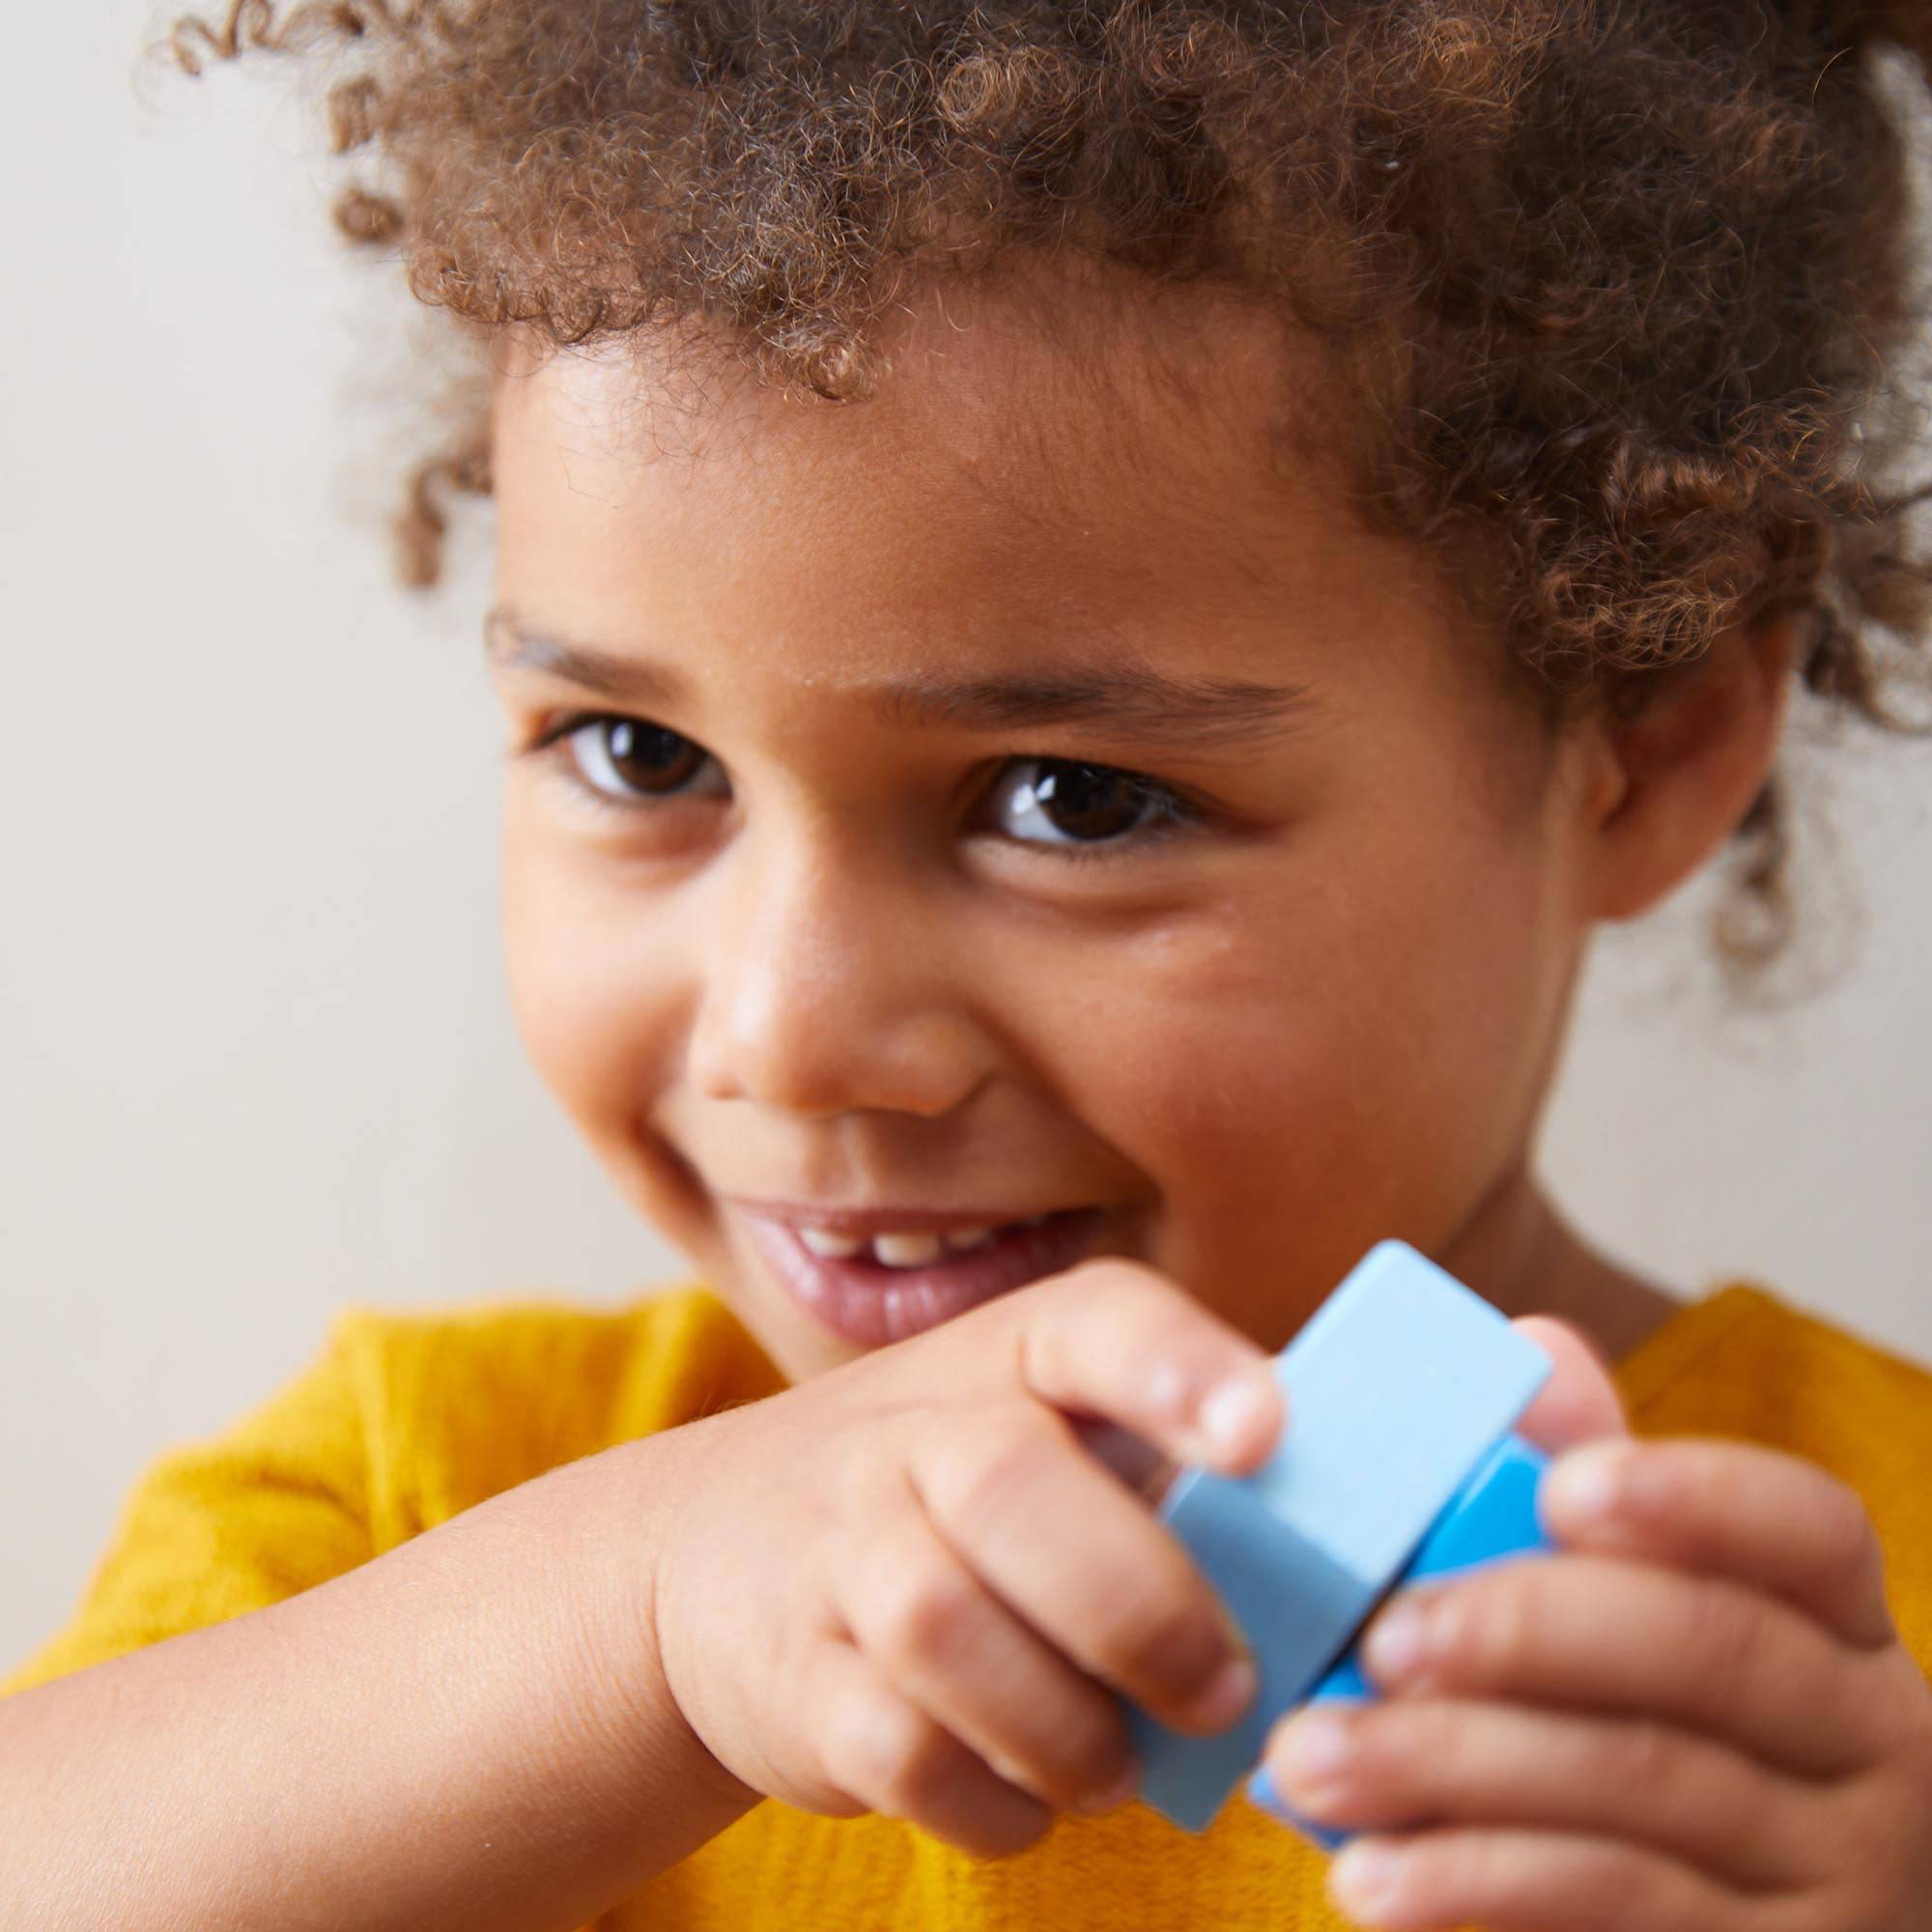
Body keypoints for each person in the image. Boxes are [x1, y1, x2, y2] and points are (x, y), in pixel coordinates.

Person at [4, 2, 1931, 1926]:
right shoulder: (417, 1515)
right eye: (638, 755)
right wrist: (646, 1632)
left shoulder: (1866, 1668)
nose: (791, 1038)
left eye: (1074, 801)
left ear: (1653, 737)